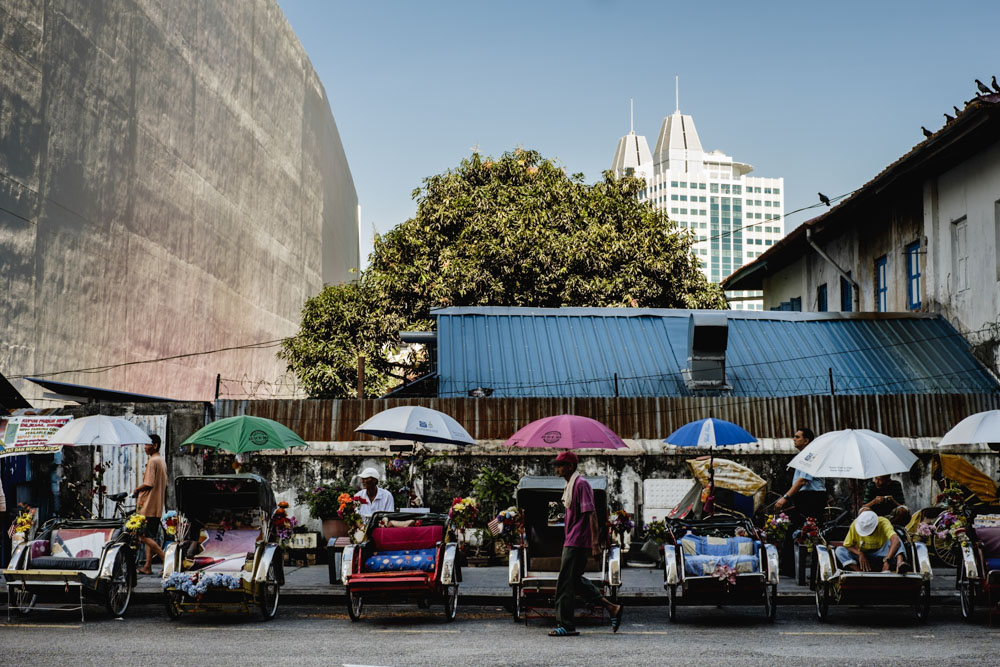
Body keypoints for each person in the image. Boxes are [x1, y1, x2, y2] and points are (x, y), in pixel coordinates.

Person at [549, 450, 623, 637]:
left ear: (571, 466)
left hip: (578, 541)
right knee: (573, 580)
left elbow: (591, 514)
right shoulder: (570, 485)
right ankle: (611, 607)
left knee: (564, 583)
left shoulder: (581, 485)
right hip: (572, 539)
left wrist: (595, 543)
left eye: (561, 465)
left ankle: (566, 624)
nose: (557, 468)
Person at [774, 427, 826, 577]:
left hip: (811, 498)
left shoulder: (810, 455)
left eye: (797, 437)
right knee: (800, 531)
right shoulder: (804, 455)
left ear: (806, 440)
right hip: (806, 497)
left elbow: (802, 481)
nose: (794, 439)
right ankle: (791, 569)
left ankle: (791, 569)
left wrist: (785, 497)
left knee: (808, 532)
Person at [132, 434, 167, 574]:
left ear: (155, 445)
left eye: (146, 445)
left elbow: (149, 483)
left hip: (148, 505)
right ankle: (147, 566)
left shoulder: (153, 461)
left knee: (143, 536)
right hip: (157, 505)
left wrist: (137, 489)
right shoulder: (160, 460)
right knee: (150, 536)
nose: (145, 448)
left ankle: (165, 558)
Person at [835, 509, 909, 573]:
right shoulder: (855, 524)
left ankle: (899, 564)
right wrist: (860, 554)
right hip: (864, 554)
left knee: (897, 539)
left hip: (882, 552)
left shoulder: (883, 522)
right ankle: (860, 572)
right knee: (840, 551)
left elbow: (895, 540)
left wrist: (887, 560)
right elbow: (847, 545)